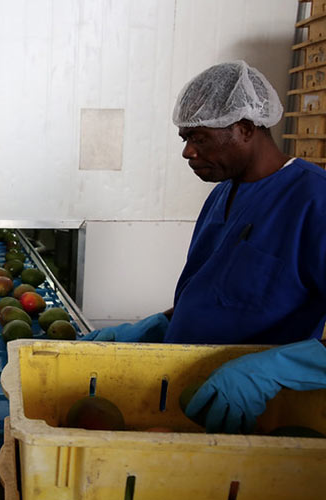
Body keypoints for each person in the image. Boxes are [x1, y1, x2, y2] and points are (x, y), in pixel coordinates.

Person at [82, 61, 326, 434]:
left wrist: (269, 371)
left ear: (245, 128)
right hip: (189, 402)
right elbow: (216, 294)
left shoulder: (313, 200)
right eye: (185, 139)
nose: (187, 152)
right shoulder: (222, 194)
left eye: (200, 138)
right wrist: (157, 325)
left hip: (257, 416)